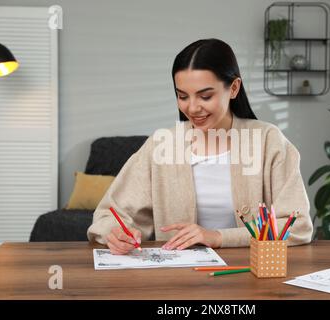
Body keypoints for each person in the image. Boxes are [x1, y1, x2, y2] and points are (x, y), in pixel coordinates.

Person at [87, 38, 313, 255]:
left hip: (252, 276)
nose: (192, 108)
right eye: (182, 96)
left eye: (205, 96)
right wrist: (115, 235)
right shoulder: (161, 144)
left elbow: (298, 226)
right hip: (178, 281)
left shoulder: (269, 141)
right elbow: (109, 215)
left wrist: (217, 237)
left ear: (233, 88)